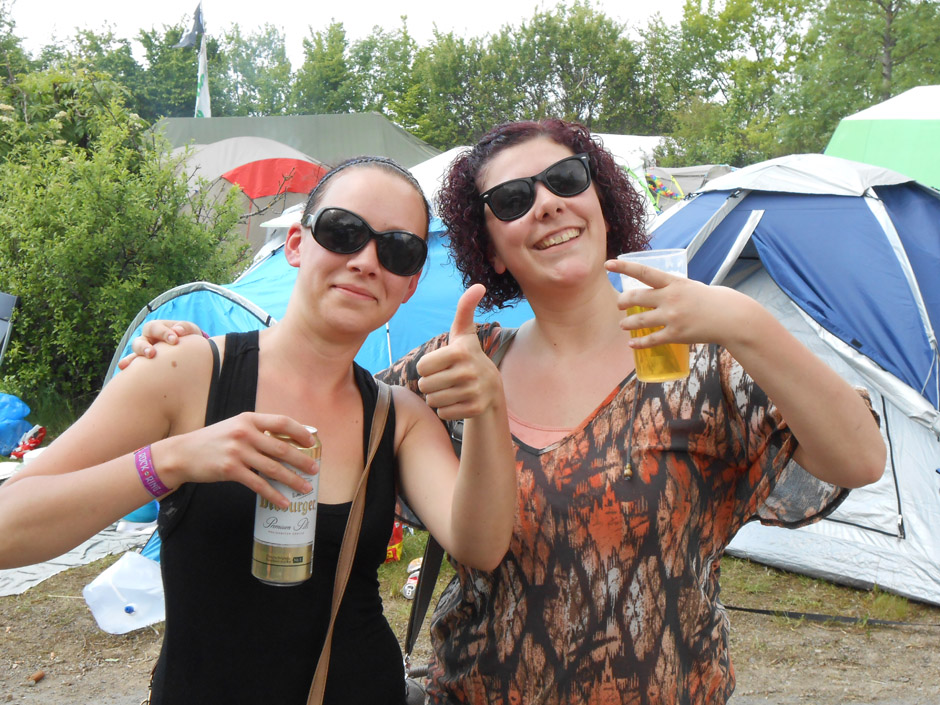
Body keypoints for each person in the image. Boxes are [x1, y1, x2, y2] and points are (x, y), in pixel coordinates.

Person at [121, 120, 886, 705]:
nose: (547, 203)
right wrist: (193, 355)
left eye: (565, 178)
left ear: (601, 196)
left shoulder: (697, 355)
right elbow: (317, 392)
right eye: (513, 199)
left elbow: (857, 460)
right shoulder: (461, 363)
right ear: (487, 243)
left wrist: (746, 320)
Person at [0, 156, 518, 705]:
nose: (367, 260)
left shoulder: (398, 418)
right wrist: (171, 461)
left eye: (397, 250)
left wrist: (487, 411)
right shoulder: (188, 371)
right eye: (343, 232)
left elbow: (480, 546)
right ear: (296, 244)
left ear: (410, 284)